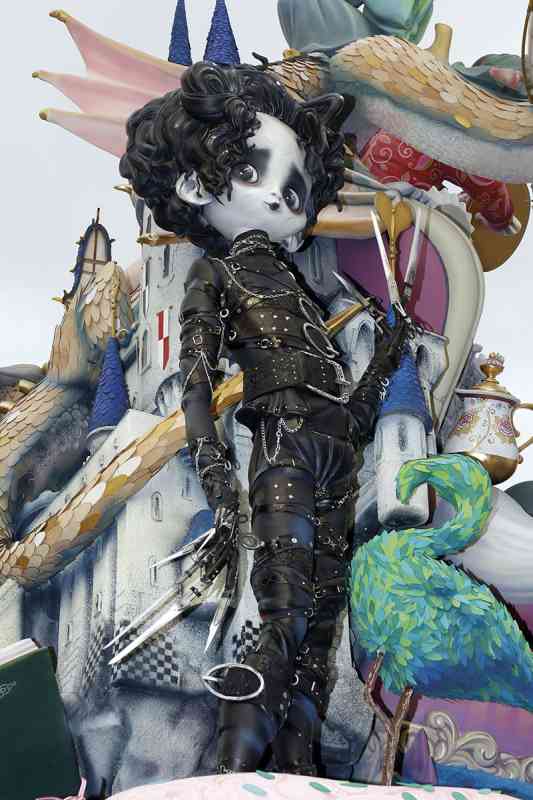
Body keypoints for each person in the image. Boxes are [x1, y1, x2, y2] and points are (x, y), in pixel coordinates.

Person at [120, 60, 408, 776]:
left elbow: (351, 412)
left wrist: (386, 356)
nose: (282, 198)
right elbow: (195, 384)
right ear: (197, 185)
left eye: (297, 188)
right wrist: (218, 483)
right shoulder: (213, 274)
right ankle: (236, 764)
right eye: (255, 172)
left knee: (320, 631)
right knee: (285, 612)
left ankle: (296, 767)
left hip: (330, 448)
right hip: (281, 444)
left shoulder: (304, 295)